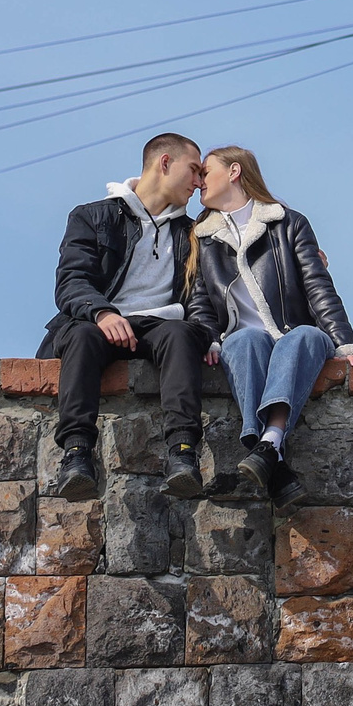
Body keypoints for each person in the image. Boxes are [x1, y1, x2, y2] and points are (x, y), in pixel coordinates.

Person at [187, 145, 353, 502]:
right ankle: (272, 455)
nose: (198, 182)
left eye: (205, 172)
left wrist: (346, 343)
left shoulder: (288, 221)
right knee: (243, 341)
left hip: (293, 333)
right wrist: (208, 338)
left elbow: (318, 286)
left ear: (234, 171)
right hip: (243, 338)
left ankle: (268, 444)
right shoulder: (201, 236)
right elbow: (198, 299)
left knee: (303, 336)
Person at [38, 133, 214, 501]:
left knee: (182, 334)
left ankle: (183, 454)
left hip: (160, 328)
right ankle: (76, 454)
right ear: (164, 163)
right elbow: (72, 281)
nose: (199, 183)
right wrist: (102, 312)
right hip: (98, 323)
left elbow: (199, 296)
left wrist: (208, 336)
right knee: (82, 336)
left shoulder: (193, 233)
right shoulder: (93, 216)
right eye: (194, 170)